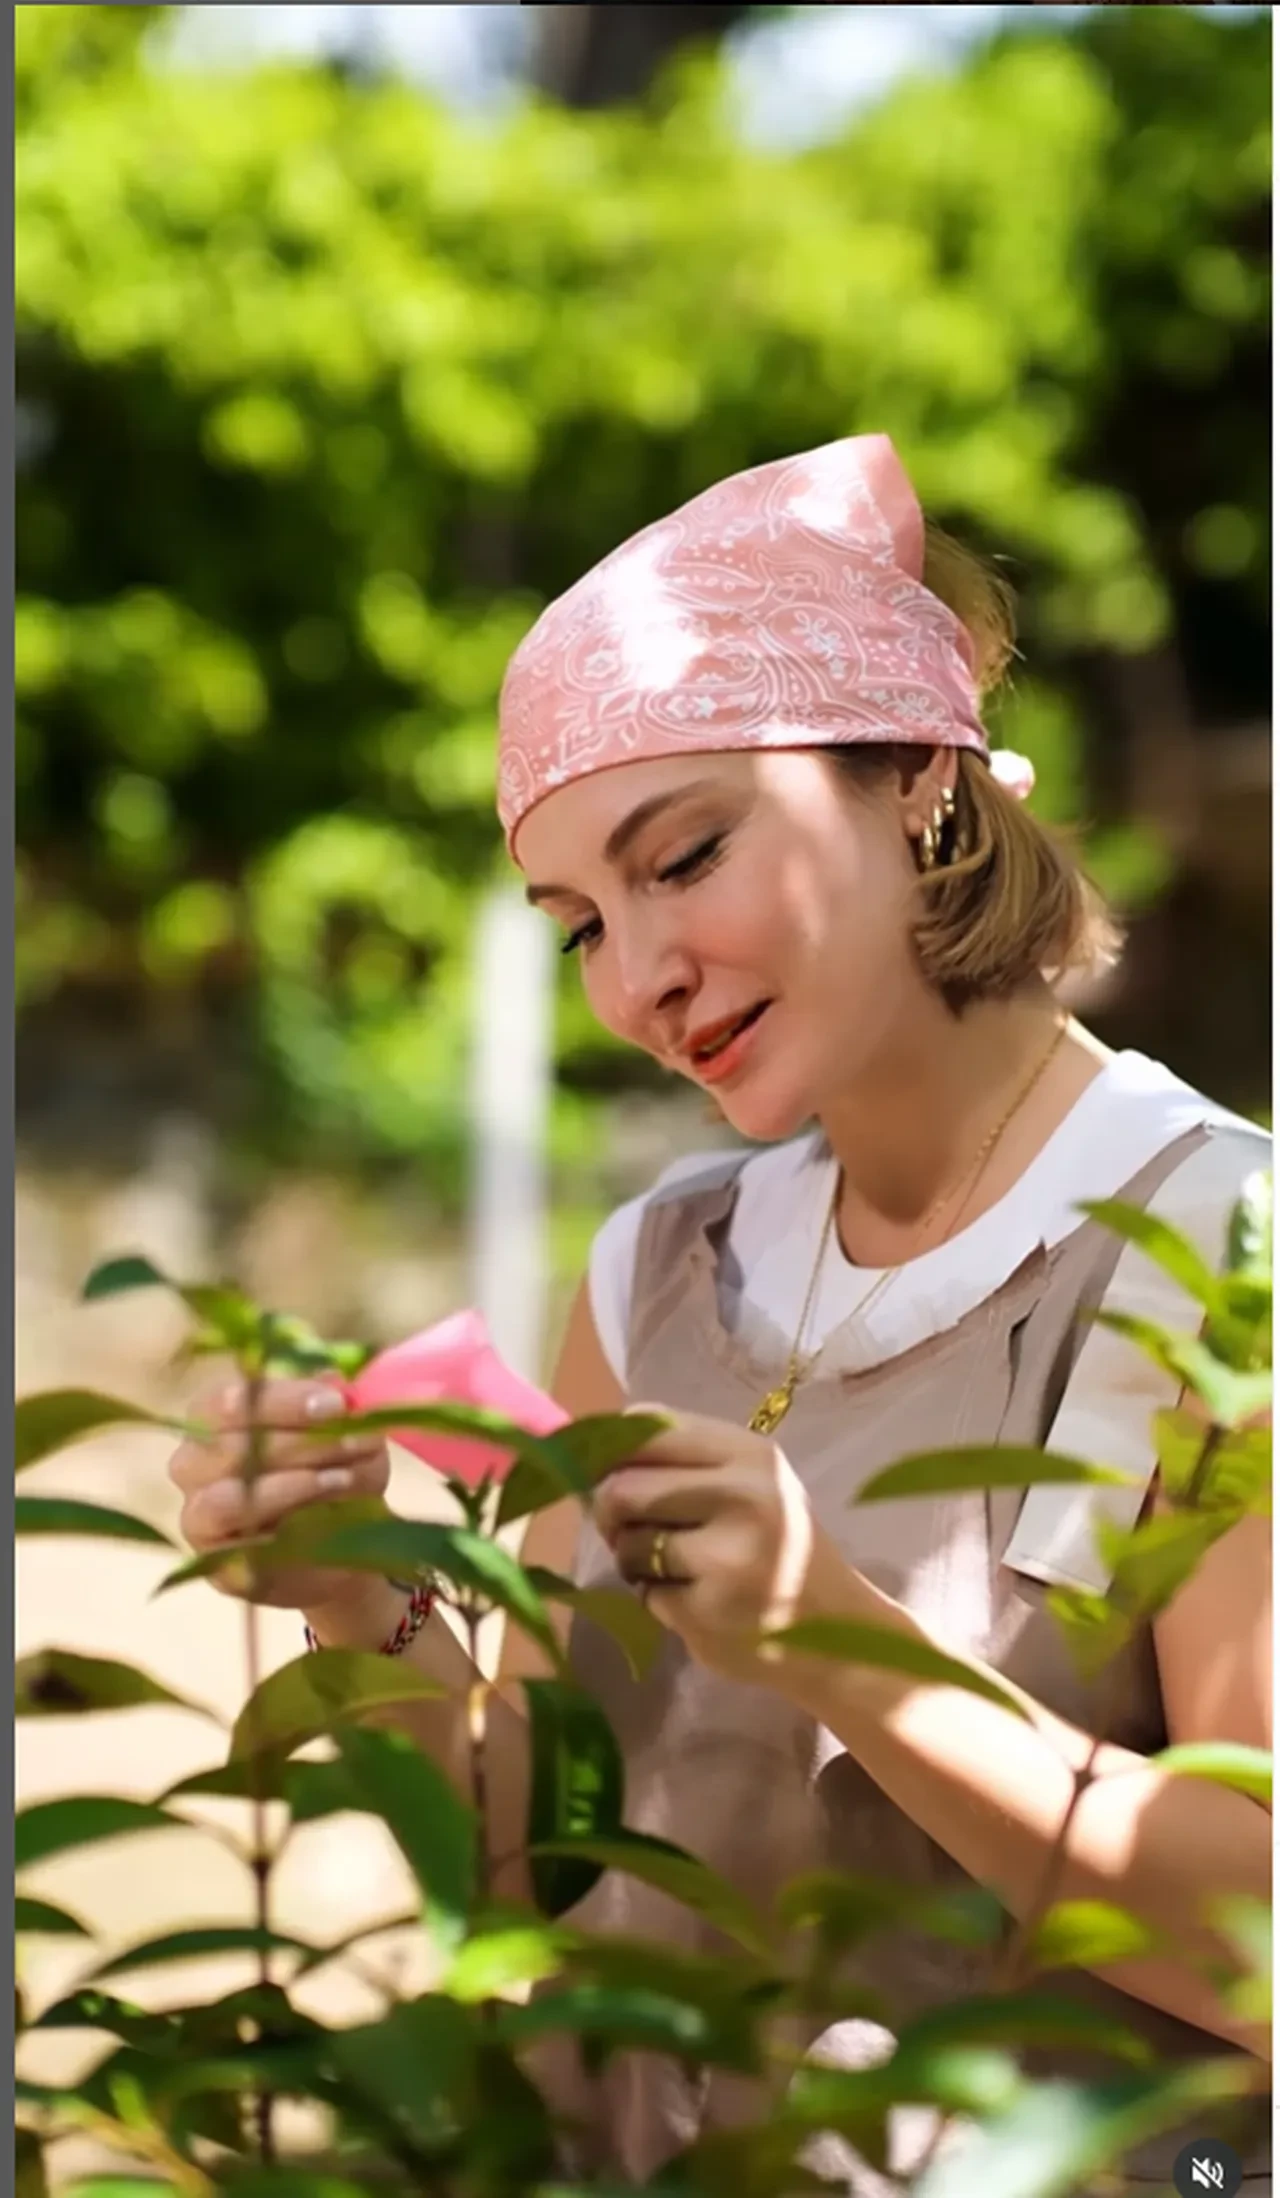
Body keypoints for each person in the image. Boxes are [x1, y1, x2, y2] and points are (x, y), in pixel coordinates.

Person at [169, 436, 1271, 2193]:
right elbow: (535, 1884)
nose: (636, 978)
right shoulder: (655, 1271)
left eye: (682, 857)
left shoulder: (1221, 1252)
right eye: (577, 924)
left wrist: (836, 1637)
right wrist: (362, 1602)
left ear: (917, 769)